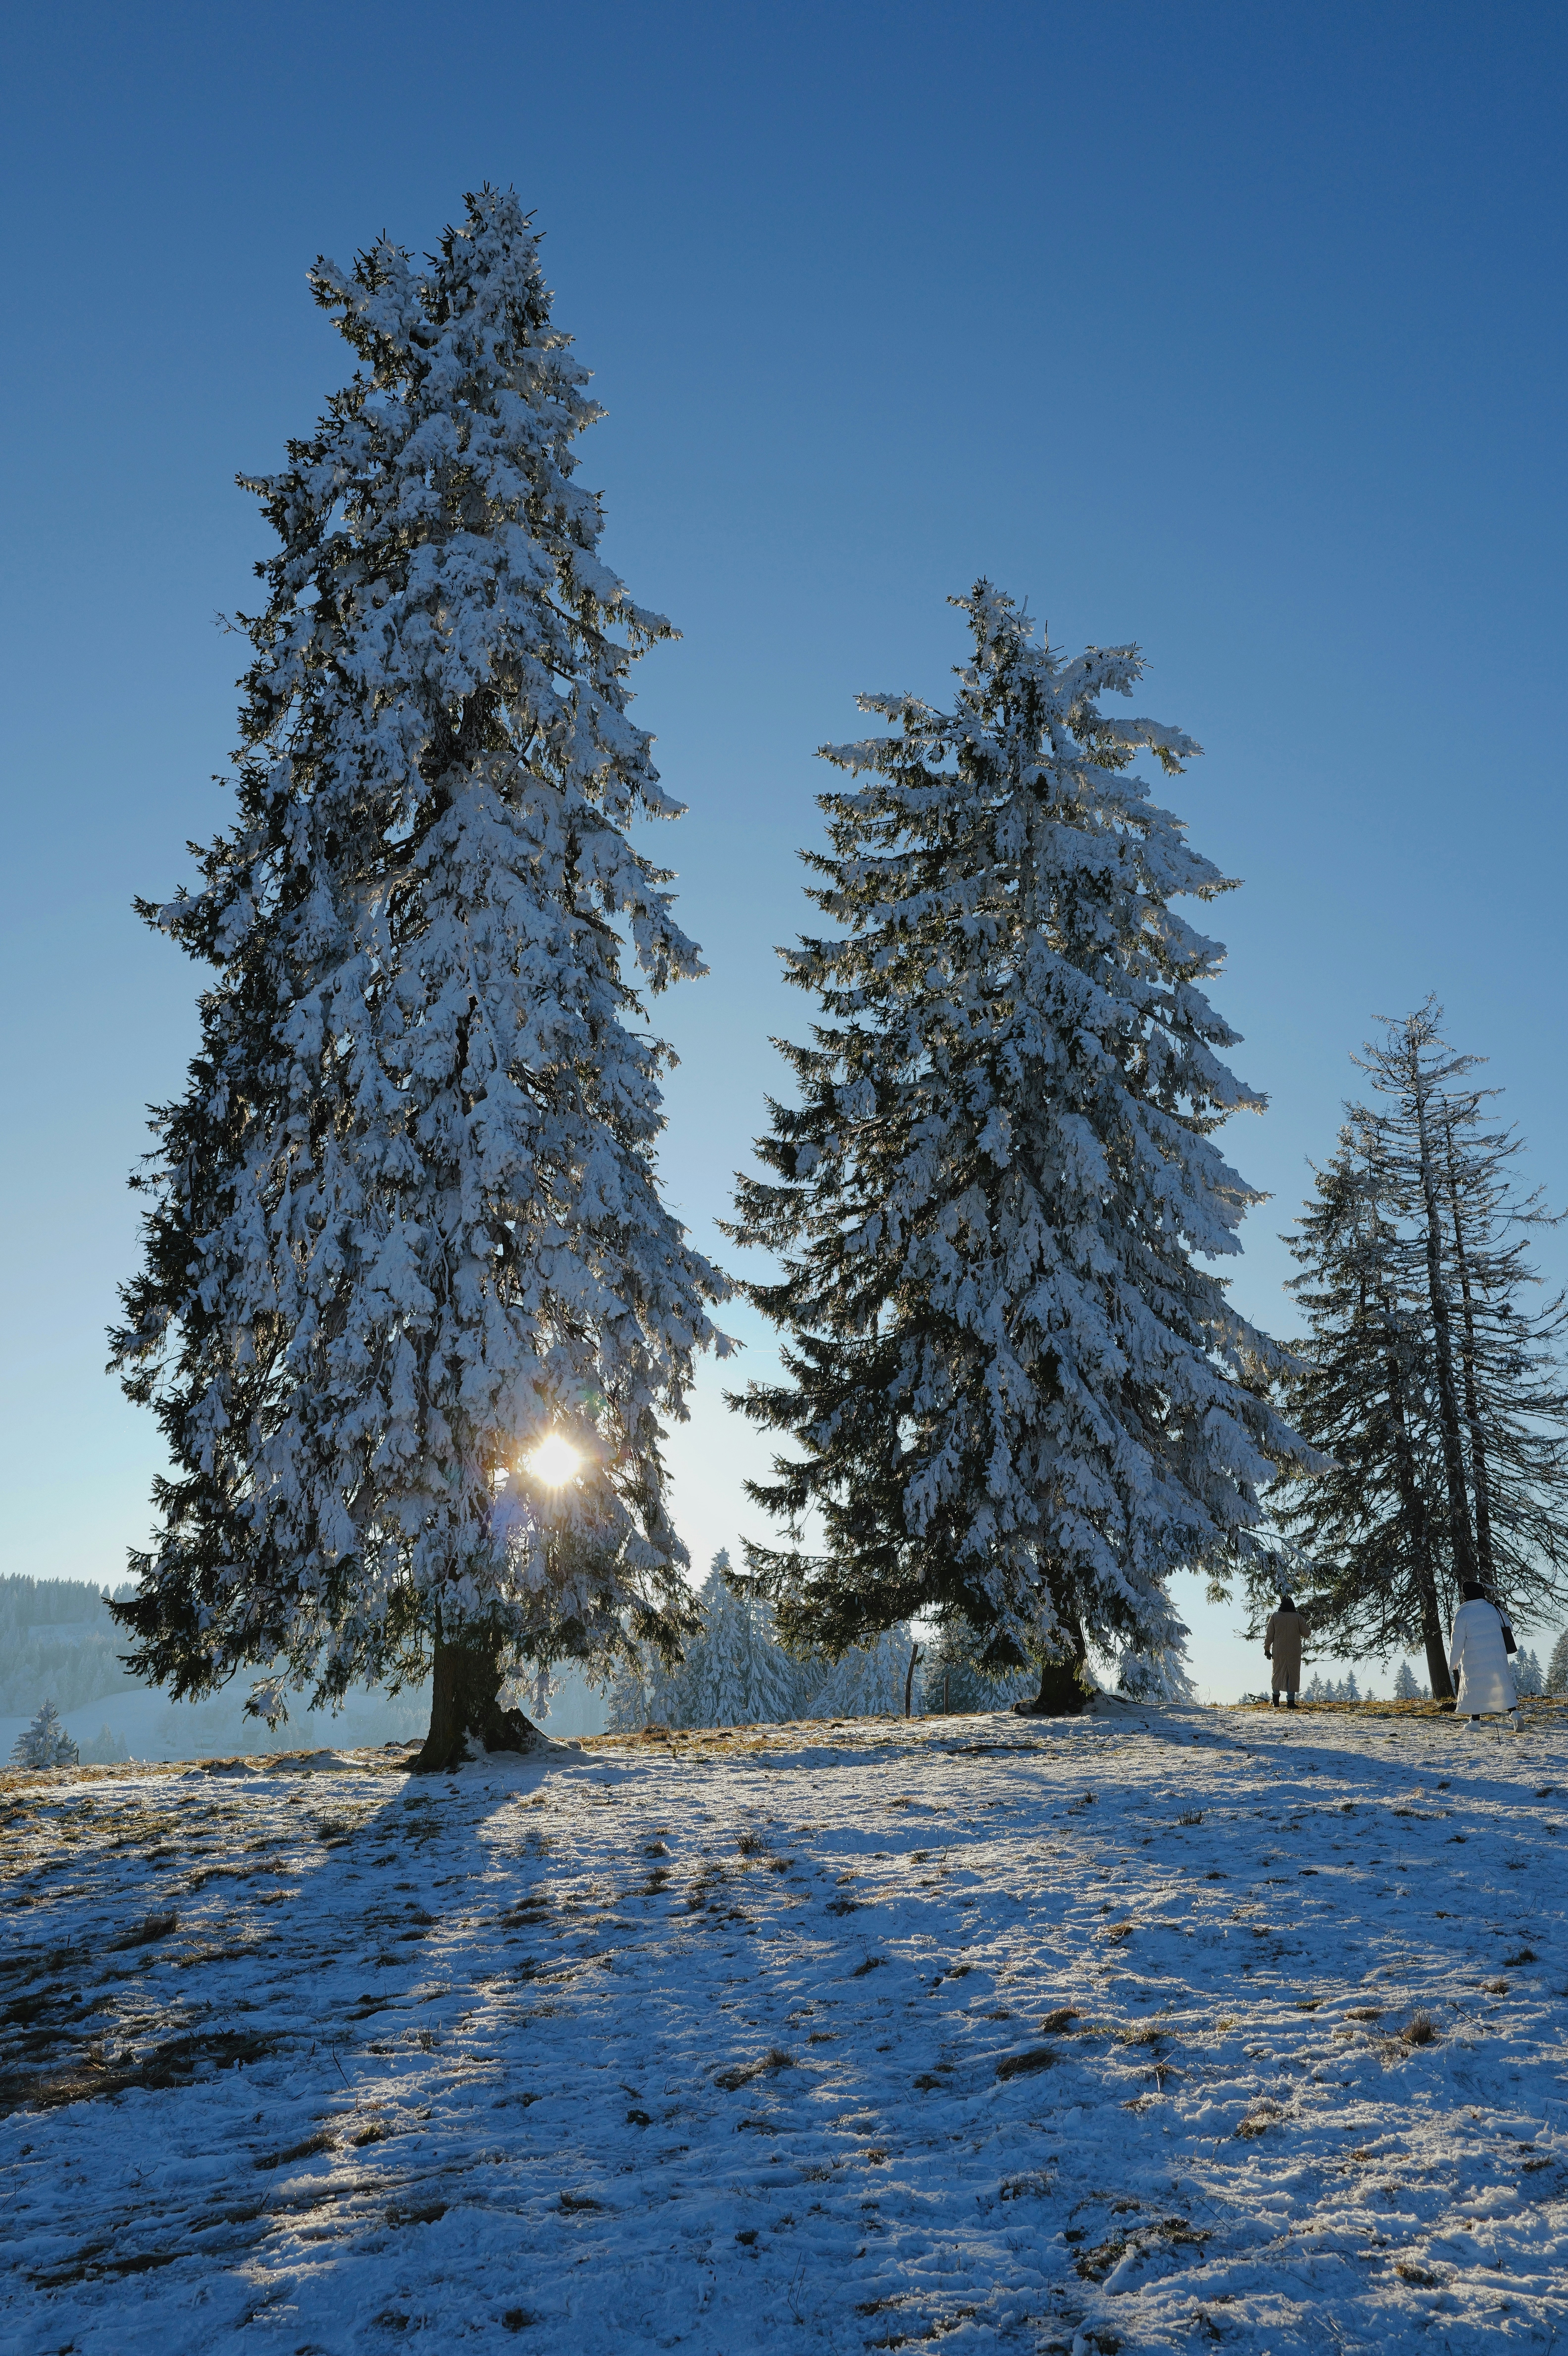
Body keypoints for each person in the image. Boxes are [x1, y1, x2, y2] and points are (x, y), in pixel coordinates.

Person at [1448, 1581, 1520, 1730]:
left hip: (1474, 1659)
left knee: (1476, 1689)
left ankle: (1475, 1723)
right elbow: (1508, 1627)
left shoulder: (1463, 1614)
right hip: (1496, 1656)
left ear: (1465, 1596)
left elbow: (1457, 1642)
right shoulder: (1494, 1609)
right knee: (1502, 1686)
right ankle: (1515, 1715)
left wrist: (1454, 1663)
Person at [1264, 1593, 1307, 1708]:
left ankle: (1276, 1701)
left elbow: (1269, 1635)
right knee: (1292, 1674)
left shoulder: (1275, 1617)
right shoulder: (1298, 1617)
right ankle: (1291, 1702)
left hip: (1279, 1650)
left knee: (1278, 1672)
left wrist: (1267, 1649)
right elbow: (1307, 1633)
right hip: (1295, 1650)